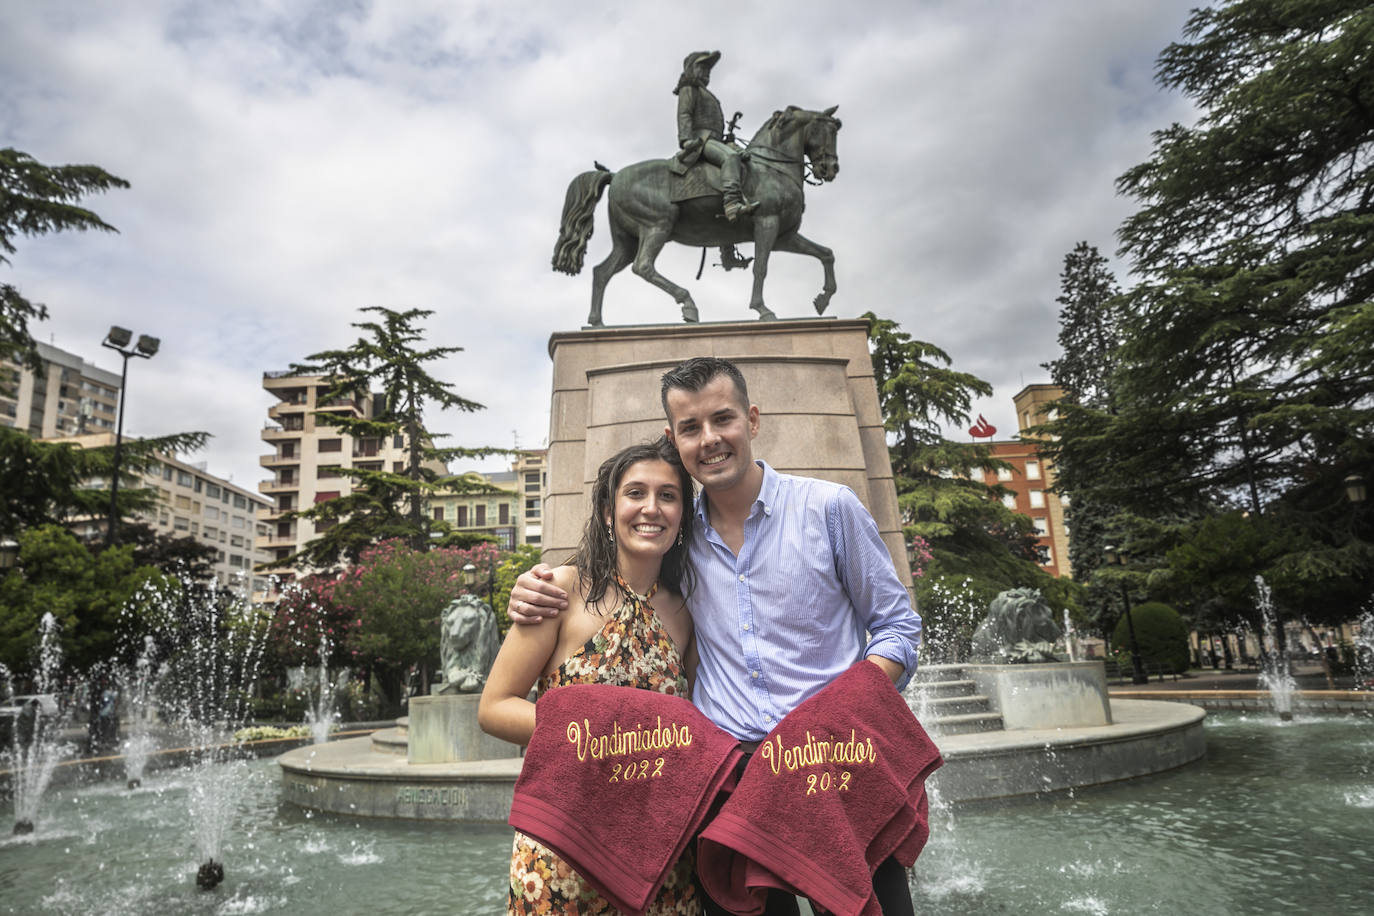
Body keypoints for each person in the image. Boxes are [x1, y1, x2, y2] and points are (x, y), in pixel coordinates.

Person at [509, 356, 923, 916]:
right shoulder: (677, 542)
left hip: (835, 762)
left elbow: (897, 626)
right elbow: (618, 571)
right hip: (732, 787)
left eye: (722, 419)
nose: (710, 439)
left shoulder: (829, 509)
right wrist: (535, 585)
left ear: (751, 420)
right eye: (690, 427)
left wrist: (843, 709)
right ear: (672, 438)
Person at [480, 438, 701, 915]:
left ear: (682, 514)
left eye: (668, 495)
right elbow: (494, 706)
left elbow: (693, 728)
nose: (651, 508)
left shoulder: (684, 613)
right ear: (608, 510)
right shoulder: (560, 590)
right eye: (635, 492)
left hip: (661, 856)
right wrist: (598, 735)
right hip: (564, 852)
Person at [674, 50, 759, 222]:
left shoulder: (705, 92)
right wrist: (686, 139)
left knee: (746, 159)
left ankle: (727, 246)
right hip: (701, 140)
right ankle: (731, 204)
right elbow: (685, 114)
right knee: (731, 157)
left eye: (708, 69)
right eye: (702, 67)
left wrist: (725, 141)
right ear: (691, 68)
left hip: (715, 140)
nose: (706, 72)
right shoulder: (689, 88)